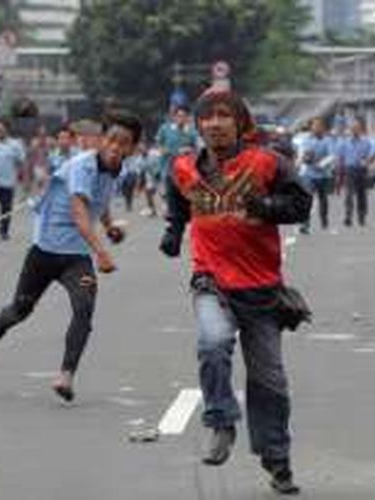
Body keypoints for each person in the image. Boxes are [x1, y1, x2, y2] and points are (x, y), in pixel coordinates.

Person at [159, 87, 311, 495]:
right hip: (211, 281)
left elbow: (301, 204)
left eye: (224, 115)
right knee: (213, 341)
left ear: (240, 123)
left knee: (270, 382)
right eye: (207, 117)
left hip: (262, 291)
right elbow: (177, 199)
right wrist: (174, 232)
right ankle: (221, 420)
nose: (214, 123)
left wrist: (263, 208)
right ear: (198, 126)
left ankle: (277, 460)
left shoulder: (267, 162)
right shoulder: (184, 166)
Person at [0, 111, 141, 402]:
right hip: (45, 250)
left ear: (133, 148)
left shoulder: (119, 170)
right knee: (21, 310)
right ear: (100, 140)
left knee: (84, 308)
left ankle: (66, 374)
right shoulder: (81, 166)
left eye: (123, 143)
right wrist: (102, 252)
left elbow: (101, 200)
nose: (115, 147)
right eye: (110, 140)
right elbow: (80, 213)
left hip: (76, 257)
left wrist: (109, 226)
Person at [299, 117, 335, 233]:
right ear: (311, 127)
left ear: (323, 128)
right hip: (309, 175)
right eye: (314, 126)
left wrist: (321, 164)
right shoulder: (306, 140)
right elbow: (304, 155)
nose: (317, 128)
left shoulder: (328, 140)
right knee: (307, 199)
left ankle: (324, 220)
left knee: (323, 199)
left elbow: (331, 155)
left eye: (319, 126)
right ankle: (305, 224)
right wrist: (305, 158)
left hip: (324, 175)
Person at [336, 117, 371, 227]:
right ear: (350, 129)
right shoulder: (344, 142)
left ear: (360, 129)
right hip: (349, 170)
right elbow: (340, 158)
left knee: (362, 195)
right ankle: (348, 216)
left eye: (357, 128)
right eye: (353, 128)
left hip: (361, 170)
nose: (355, 130)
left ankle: (361, 216)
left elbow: (369, 157)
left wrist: (367, 164)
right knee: (348, 195)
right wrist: (339, 173)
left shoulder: (366, 142)